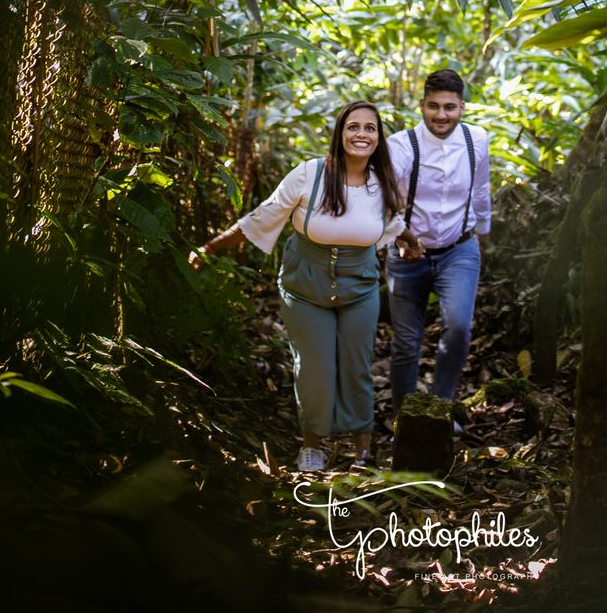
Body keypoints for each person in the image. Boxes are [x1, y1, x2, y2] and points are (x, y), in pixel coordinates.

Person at [190, 100, 404, 472]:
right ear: (340, 133)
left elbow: (393, 225)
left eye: (370, 128)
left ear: (379, 137)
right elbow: (263, 217)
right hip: (305, 286)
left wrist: (414, 244)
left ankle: (364, 452)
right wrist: (211, 247)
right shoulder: (311, 174)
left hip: (360, 288)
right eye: (354, 127)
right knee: (315, 367)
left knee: (357, 366)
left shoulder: (383, 181)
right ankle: (313, 447)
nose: (362, 135)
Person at [385, 68, 491, 418]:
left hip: (459, 249)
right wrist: (399, 235)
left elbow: (480, 191)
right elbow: (382, 201)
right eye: (434, 106)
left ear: (462, 107)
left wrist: (484, 238)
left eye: (449, 107)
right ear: (422, 105)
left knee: (459, 329)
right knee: (406, 343)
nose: (441, 115)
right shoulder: (400, 145)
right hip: (406, 255)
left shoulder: (477, 140)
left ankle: (440, 409)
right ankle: (406, 418)